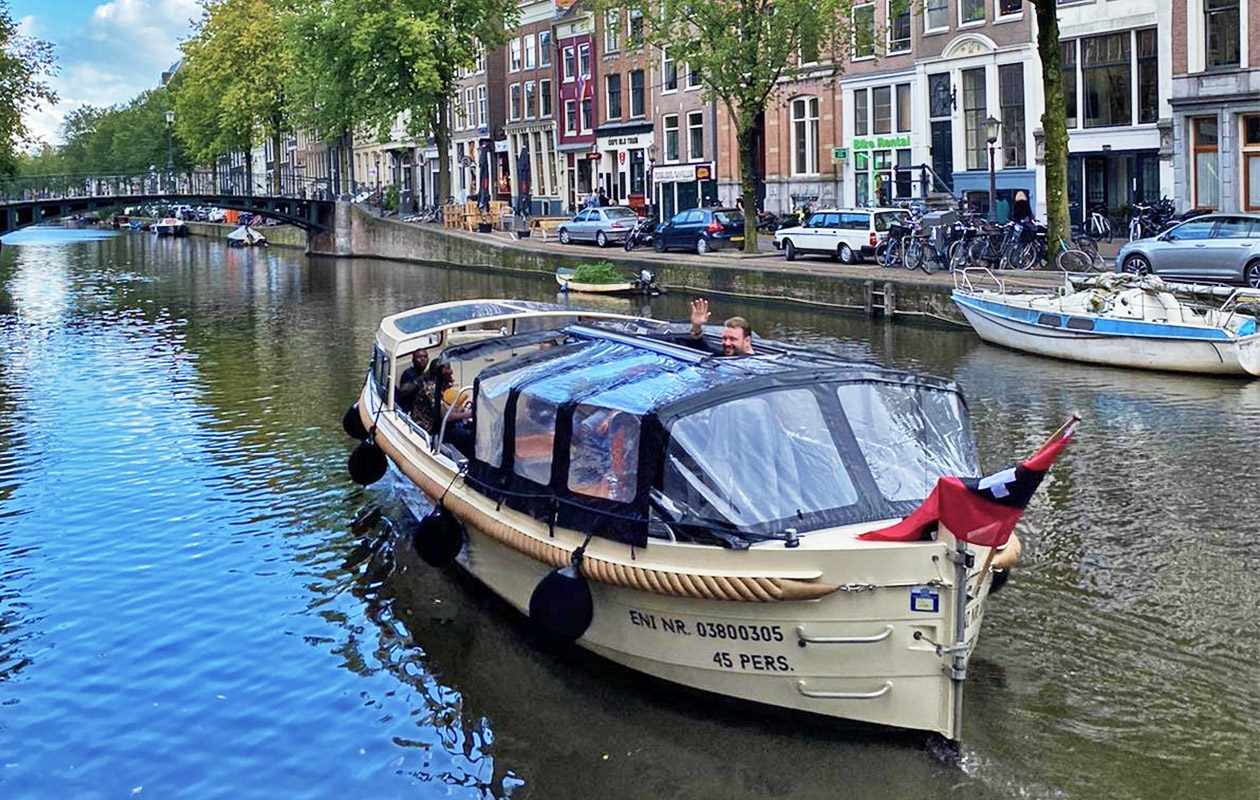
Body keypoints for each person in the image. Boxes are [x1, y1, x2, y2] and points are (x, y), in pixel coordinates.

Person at [686, 298, 754, 357]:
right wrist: (696, 326)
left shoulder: (756, 363)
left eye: (733, 339)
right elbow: (700, 345)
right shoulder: (724, 356)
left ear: (747, 341)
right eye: (724, 338)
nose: (727, 343)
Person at [394, 348, 430, 414]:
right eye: (419, 357)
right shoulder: (409, 373)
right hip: (407, 410)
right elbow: (403, 391)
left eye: (425, 357)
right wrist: (418, 381)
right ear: (413, 360)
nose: (423, 359)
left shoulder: (425, 375)